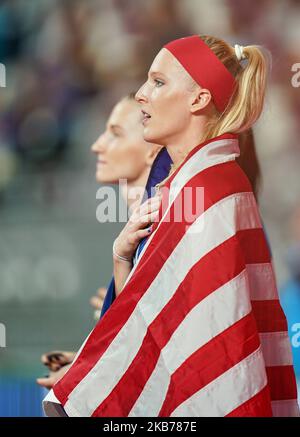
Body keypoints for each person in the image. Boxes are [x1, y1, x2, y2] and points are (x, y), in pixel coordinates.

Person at [44, 34, 299, 417]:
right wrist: (121, 260)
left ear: (199, 99)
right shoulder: (195, 185)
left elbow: (208, 358)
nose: (142, 95)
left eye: (158, 82)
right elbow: (170, 329)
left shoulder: (208, 188)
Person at [37, 93, 170, 389]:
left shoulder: (166, 223)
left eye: (115, 134)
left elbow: (161, 347)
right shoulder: (148, 221)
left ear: (153, 150)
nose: (97, 145)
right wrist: (85, 361)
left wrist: (85, 373)